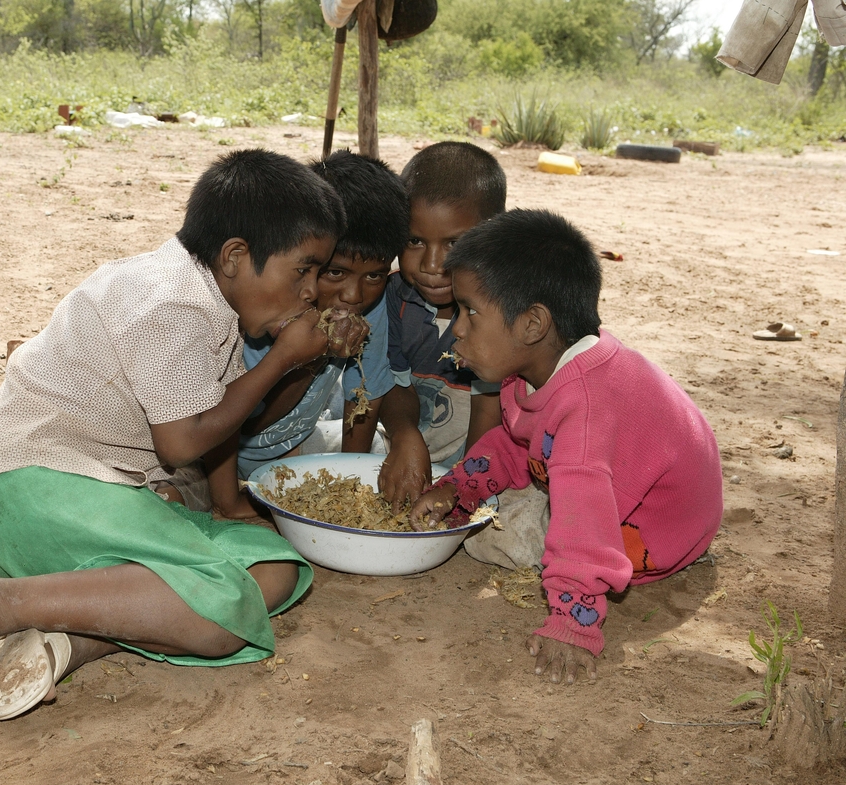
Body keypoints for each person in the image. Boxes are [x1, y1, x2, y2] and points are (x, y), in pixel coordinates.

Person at [0, 148, 346, 727]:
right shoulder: (171, 305)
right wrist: (283, 361)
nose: (314, 291)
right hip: (38, 497)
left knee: (274, 567)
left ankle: (72, 637)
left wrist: (228, 505)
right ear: (236, 256)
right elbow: (183, 444)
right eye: (304, 270)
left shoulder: (208, 300)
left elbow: (217, 416)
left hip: (93, 499)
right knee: (222, 612)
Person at [410, 209, 723, 685]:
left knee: (495, 537)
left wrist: (571, 626)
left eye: (470, 312)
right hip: (623, 491)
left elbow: (583, 522)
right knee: (495, 504)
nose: (456, 329)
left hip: (654, 532)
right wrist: (459, 488)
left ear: (533, 324)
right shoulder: (547, 366)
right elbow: (519, 445)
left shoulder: (587, 410)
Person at [213, 150, 408, 504]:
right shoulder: (266, 311)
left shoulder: (368, 304)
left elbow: (362, 399)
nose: (354, 295)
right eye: (335, 272)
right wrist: (313, 357)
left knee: (379, 450)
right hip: (216, 459)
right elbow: (242, 428)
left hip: (293, 449)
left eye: (375, 275)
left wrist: (352, 482)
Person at [376, 141, 506, 512]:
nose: (433, 265)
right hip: (411, 443)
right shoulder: (395, 295)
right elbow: (394, 382)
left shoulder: (500, 312)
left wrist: (459, 488)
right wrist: (404, 435)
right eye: (415, 241)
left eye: (455, 242)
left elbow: (489, 411)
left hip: (480, 459)